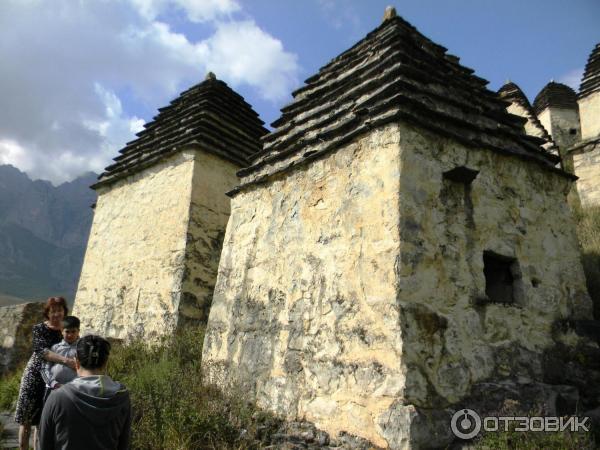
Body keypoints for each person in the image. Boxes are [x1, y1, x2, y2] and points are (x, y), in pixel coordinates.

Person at [38, 334, 132, 450]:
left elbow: (44, 444)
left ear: (76, 362)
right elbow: (124, 444)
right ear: (106, 363)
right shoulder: (122, 396)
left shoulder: (58, 397)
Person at [14, 296, 76, 450]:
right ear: (47, 313)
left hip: (52, 380)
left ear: (64, 312)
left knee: (43, 421)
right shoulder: (39, 329)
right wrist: (67, 361)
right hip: (34, 377)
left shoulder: (66, 330)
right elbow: (44, 352)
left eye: (59, 311)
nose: (56, 314)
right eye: (53, 311)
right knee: (26, 419)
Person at [40, 316, 80, 397]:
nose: (70, 335)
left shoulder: (81, 348)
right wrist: (54, 384)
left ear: (78, 331)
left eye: (73, 332)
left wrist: (73, 386)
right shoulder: (55, 348)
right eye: (67, 331)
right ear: (62, 331)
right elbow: (44, 368)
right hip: (53, 389)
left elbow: (85, 370)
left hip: (73, 390)